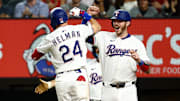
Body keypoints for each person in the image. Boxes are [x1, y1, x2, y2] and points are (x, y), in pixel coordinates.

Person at [31, 6, 101, 101]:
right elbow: (97, 27)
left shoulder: (49, 38)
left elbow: (34, 56)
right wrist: (83, 13)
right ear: (66, 18)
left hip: (62, 79)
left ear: (52, 21)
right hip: (79, 75)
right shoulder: (78, 29)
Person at [92, 9, 151, 101]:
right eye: (114, 21)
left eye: (119, 21)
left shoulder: (136, 43)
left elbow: (148, 69)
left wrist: (139, 61)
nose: (116, 23)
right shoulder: (103, 37)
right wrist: (86, 15)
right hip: (107, 90)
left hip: (128, 90)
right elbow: (86, 37)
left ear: (128, 23)